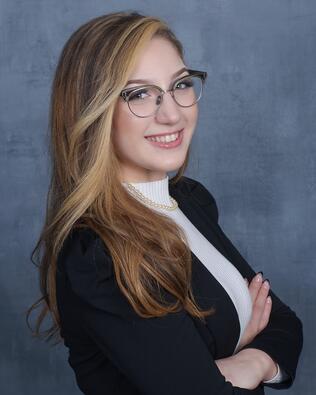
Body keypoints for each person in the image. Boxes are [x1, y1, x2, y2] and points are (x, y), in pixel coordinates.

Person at [27, 10, 303, 395]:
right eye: (140, 94)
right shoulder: (97, 253)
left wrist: (248, 361)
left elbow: (286, 323)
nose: (173, 113)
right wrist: (240, 354)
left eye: (180, 85)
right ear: (94, 111)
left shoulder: (190, 202)